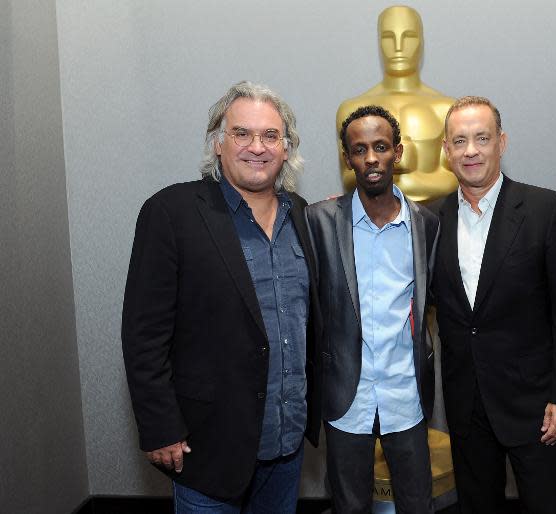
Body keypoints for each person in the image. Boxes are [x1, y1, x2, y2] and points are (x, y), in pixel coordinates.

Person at [121, 81, 321, 513]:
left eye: (271, 136)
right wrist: (159, 425)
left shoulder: (304, 216)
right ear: (217, 143)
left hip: (286, 446)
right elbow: (143, 334)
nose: (257, 147)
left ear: (286, 149)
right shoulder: (171, 213)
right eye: (242, 133)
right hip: (207, 447)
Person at [432, 96, 556, 514]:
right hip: (466, 406)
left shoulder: (548, 210)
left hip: (535, 407)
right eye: (460, 140)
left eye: (482, 138)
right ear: (445, 150)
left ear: (501, 142)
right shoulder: (430, 220)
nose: (471, 150)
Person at [306, 105, 439, 514]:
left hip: (406, 395)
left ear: (397, 152)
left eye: (380, 147)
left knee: (418, 503)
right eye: (359, 149)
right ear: (348, 159)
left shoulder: (426, 225)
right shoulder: (319, 221)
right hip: (347, 396)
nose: (371, 158)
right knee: (349, 506)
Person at [336, 5, 457, 202]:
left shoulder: (447, 109)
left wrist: (387, 174)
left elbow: (456, 178)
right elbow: (349, 178)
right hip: (373, 223)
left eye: (408, 37)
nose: (398, 47)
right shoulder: (352, 111)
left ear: (422, 42)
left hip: (436, 225)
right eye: (388, 38)